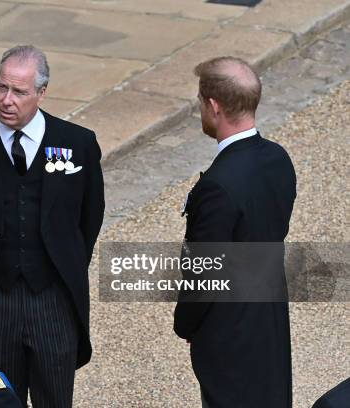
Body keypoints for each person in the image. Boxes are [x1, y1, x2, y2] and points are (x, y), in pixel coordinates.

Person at [0, 44, 105, 407]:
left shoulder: (77, 144)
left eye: (19, 91)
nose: (7, 100)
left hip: (53, 299)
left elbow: (89, 218)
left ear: (42, 93)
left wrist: (64, 263)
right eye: (2, 87)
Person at [173, 56, 296, 407]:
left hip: (229, 334)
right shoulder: (278, 159)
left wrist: (185, 323)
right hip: (269, 321)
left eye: (200, 102)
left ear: (214, 107)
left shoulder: (217, 186)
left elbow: (204, 272)